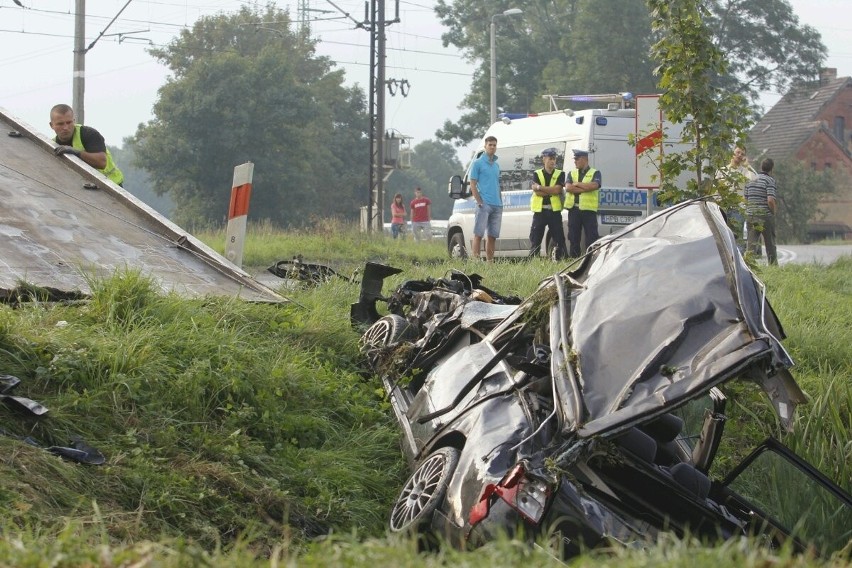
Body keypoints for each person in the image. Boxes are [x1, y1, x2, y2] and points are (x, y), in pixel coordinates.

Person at [48, 104, 124, 186]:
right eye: (60, 124)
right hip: (85, 190)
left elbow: (101, 162)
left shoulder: (88, 134)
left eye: (69, 122)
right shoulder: (52, 144)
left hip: (111, 187)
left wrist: (76, 152)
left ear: (74, 121)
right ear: (52, 125)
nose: (66, 127)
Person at [528, 147, 568, 260]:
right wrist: (551, 190)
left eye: (554, 159)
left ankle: (561, 261)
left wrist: (540, 187)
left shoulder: (560, 174)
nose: (553, 161)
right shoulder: (537, 173)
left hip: (554, 211)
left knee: (559, 239)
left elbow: (557, 190)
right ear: (544, 159)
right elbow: (538, 194)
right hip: (540, 212)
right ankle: (532, 263)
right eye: (550, 158)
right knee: (535, 240)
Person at [469, 136, 502, 261]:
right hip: (484, 203)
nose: (492, 147)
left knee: (492, 236)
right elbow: (472, 183)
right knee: (478, 234)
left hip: (497, 205)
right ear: (485, 146)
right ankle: (476, 262)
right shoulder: (477, 163)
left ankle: (490, 263)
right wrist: (479, 201)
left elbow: (497, 184)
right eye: (490, 145)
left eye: (494, 145)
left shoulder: (496, 165)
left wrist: (500, 201)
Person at [564, 148, 601, 257]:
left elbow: (594, 186)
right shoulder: (572, 173)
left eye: (577, 159)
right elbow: (569, 188)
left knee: (591, 238)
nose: (575, 161)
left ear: (585, 159)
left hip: (589, 211)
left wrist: (577, 184)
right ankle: (574, 261)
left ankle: (590, 260)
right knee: (574, 237)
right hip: (574, 210)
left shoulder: (595, 173)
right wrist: (585, 188)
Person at [718, 146, 757, 247]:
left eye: (742, 154)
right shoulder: (722, 170)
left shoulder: (744, 172)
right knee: (724, 238)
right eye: (738, 152)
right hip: (723, 209)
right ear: (732, 153)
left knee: (737, 239)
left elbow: (755, 178)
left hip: (738, 209)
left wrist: (748, 166)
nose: (740, 155)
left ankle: (738, 261)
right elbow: (716, 189)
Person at [744, 158, 778, 265]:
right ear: (771, 169)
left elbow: (745, 199)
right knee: (770, 243)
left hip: (751, 215)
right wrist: (773, 211)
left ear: (761, 167)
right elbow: (770, 200)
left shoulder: (750, 180)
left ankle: (748, 267)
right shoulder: (770, 180)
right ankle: (773, 266)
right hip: (765, 216)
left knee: (751, 244)